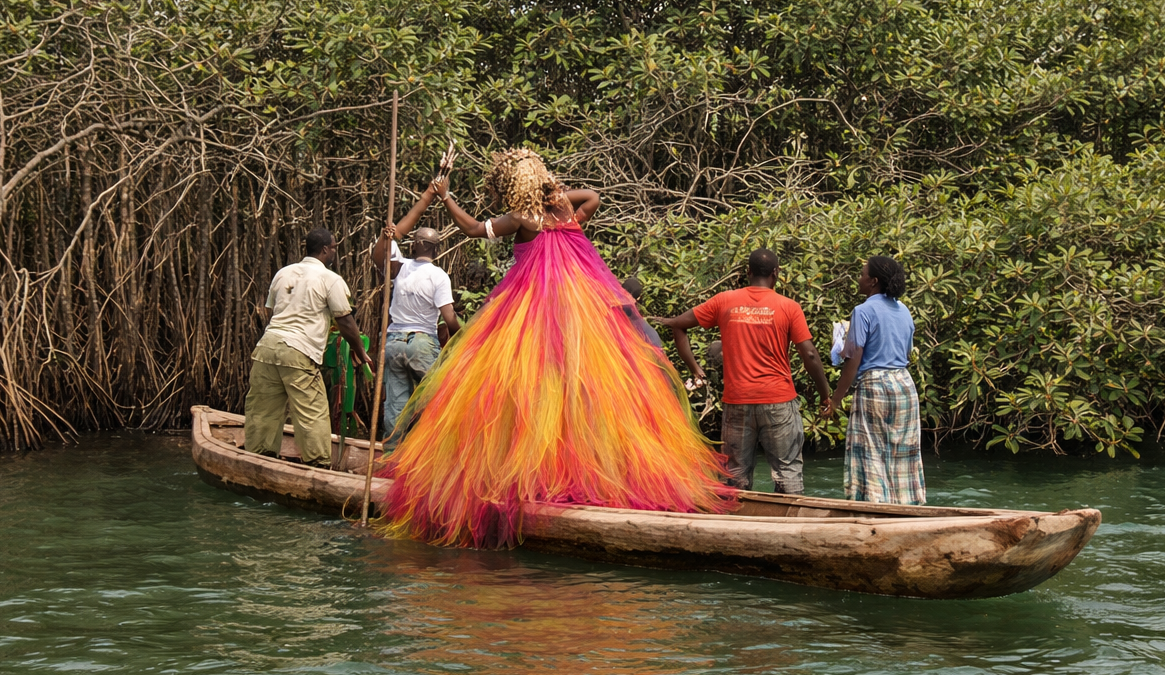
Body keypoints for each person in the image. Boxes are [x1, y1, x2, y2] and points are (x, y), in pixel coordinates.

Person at [374, 148, 733, 548]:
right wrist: (574, 220)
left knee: (519, 388)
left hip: (536, 311)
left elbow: (475, 229)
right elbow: (594, 196)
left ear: (512, 185)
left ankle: (527, 479)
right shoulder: (562, 205)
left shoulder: (524, 217)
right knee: (583, 391)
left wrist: (444, 198)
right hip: (581, 313)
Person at [656, 250, 832, 495]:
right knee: (787, 470)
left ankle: (735, 527)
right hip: (778, 400)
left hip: (737, 401)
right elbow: (810, 355)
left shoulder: (724, 301)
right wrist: (825, 395)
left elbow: (678, 324)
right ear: (776, 274)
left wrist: (695, 370)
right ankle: (789, 528)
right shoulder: (789, 307)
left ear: (747, 272)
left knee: (735, 475)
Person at [244, 228, 372, 467]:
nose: (335, 251)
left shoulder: (284, 273)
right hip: (298, 352)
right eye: (334, 247)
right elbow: (344, 320)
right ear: (325, 250)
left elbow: (272, 312)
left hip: (267, 348)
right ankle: (319, 466)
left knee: (262, 412)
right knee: (312, 413)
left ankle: (258, 462)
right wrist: (360, 351)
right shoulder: (330, 279)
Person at [821, 255, 924, 504]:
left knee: (870, 452)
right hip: (904, 385)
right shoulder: (904, 310)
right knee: (903, 453)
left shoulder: (863, 311)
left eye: (862, 274)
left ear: (873, 281)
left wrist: (835, 400)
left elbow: (853, 360)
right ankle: (908, 506)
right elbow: (906, 351)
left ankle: (872, 507)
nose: (859, 278)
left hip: (875, 385)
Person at [376, 226, 460, 447]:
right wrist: (459, 341)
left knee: (395, 404)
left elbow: (382, 252)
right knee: (434, 400)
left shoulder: (400, 267)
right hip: (422, 342)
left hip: (394, 342)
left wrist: (390, 235)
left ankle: (391, 454)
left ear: (414, 245)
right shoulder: (439, 276)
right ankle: (426, 450)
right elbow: (449, 318)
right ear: (436, 249)